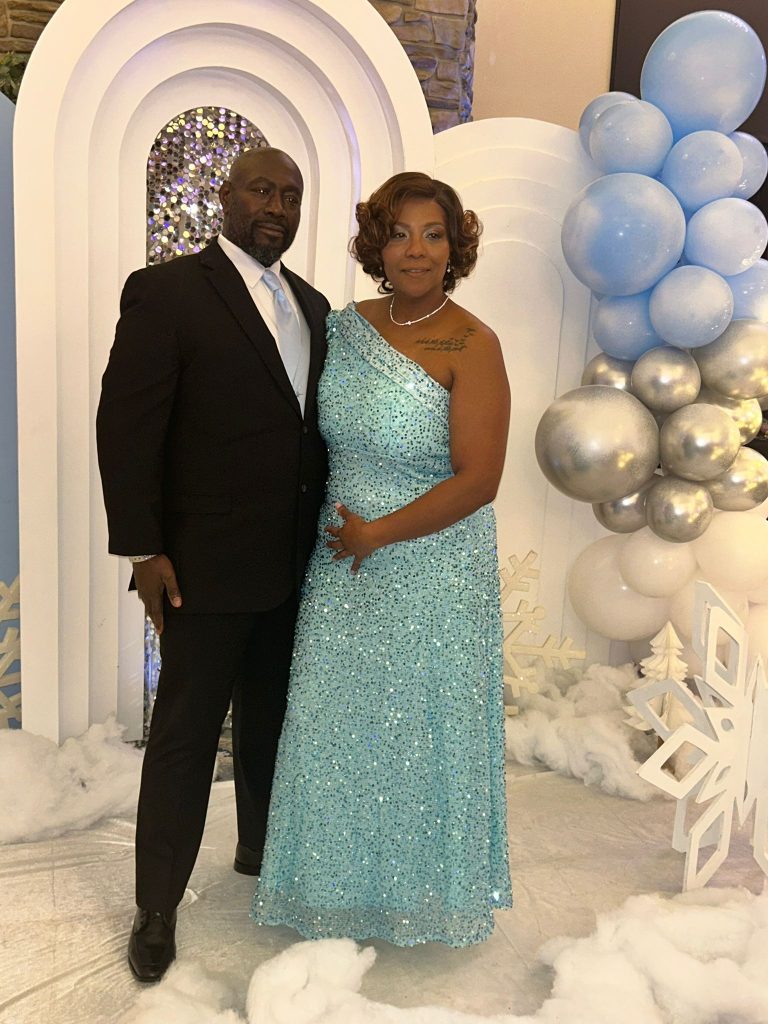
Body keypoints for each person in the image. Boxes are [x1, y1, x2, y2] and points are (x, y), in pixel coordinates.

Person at [251, 172, 512, 946]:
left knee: (421, 731)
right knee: (336, 728)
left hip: (432, 567)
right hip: (341, 569)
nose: (416, 250)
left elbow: (479, 480)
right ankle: (330, 888)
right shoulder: (346, 325)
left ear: (456, 246)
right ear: (376, 243)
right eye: (399, 233)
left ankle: (421, 900)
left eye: (434, 235)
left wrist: (378, 534)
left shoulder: (473, 342)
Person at [96, 147, 329, 982]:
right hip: (200, 565)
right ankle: (156, 906)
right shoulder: (166, 292)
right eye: (262, 189)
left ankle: (261, 853)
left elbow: (309, 434)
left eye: (292, 194)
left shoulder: (313, 303)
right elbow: (127, 426)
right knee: (187, 739)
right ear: (224, 197)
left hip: (295, 568)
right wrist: (144, 547)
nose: (277, 204)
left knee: (273, 722)